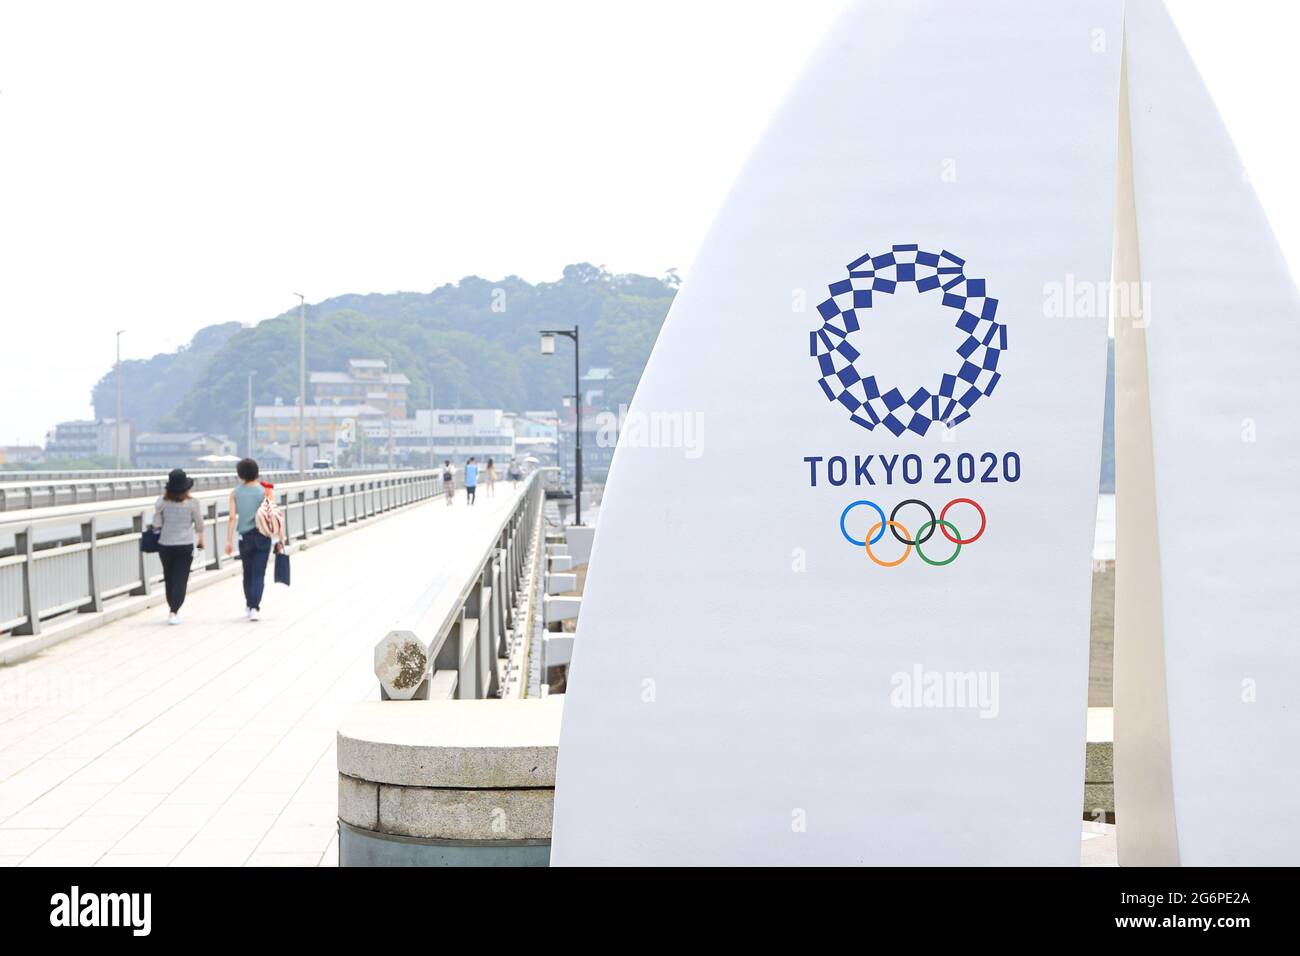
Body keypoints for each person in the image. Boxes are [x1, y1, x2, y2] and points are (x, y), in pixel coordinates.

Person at [224, 458, 283, 622]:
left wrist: (229, 540)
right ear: (256, 472)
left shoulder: (235, 493)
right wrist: (281, 538)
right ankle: (254, 608)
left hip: (245, 537)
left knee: (247, 573)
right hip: (263, 536)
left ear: (240, 474)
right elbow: (274, 515)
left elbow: (231, 518)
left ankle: (250, 605)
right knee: (259, 574)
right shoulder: (265, 491)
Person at [152, 468, 204, 625]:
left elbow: (156, 524)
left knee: (169, 577)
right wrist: (201, 539)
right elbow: (199, 525)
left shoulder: (161, 502)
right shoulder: (193, 503)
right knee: (181, 579)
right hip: (185, 546)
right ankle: (174, 610)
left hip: (166, 545)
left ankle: (172, 608)